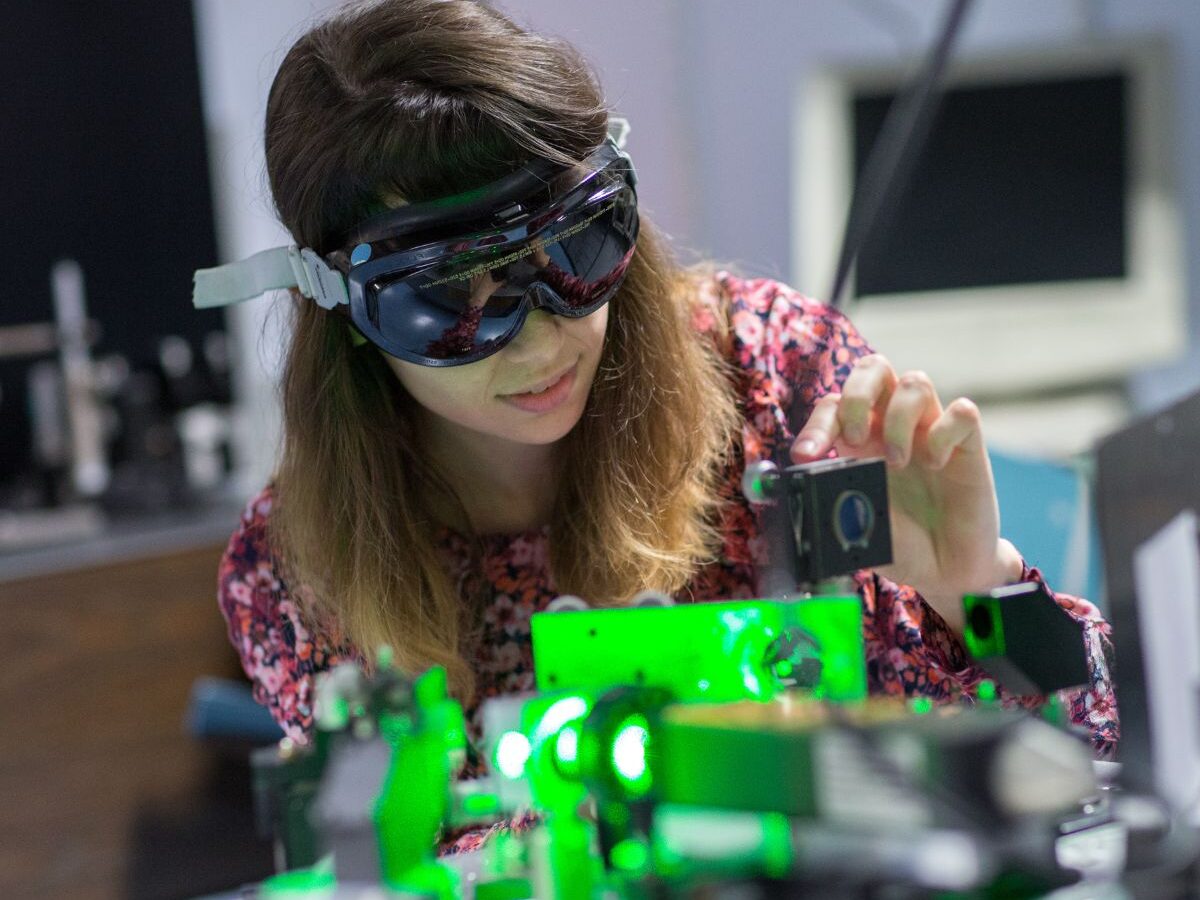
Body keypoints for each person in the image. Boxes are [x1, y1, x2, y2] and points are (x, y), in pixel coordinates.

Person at [197, 0, 1117, 852]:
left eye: (578, 248)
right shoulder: (306, 571)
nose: (543, 342)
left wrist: (980, 590)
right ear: (346, 312)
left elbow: (1085, 747)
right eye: (451, 297)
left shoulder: (774, 379)